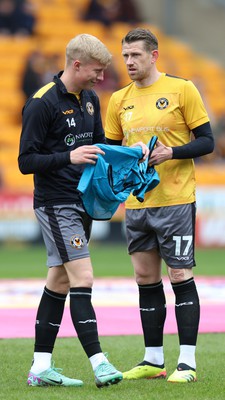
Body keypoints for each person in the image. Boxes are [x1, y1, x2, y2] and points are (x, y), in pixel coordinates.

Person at [104, 27, 214, 383]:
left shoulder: (182, 89)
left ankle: (187, 363)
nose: (129, 62)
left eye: (135, 55)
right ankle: (153, 359)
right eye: (125, 56)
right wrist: (126, 157)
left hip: (176, 200)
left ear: (154, 55)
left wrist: (172, 152)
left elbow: (208, 142)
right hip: (137, 204)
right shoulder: (119, 99)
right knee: (144, 278)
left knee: (180, 274)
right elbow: (111, 153)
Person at [18, 33, 123, 389]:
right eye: (96, 71)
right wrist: (69, 157)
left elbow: (99, 147)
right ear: (76, 64)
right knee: (83, 278)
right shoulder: (41, 103)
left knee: (59, 281)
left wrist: (130, 150)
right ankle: (100, 363)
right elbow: (25, 161)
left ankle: (40, 367)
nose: (101, 78)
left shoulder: (90, 99)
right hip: (55, 204)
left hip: (83, 202)